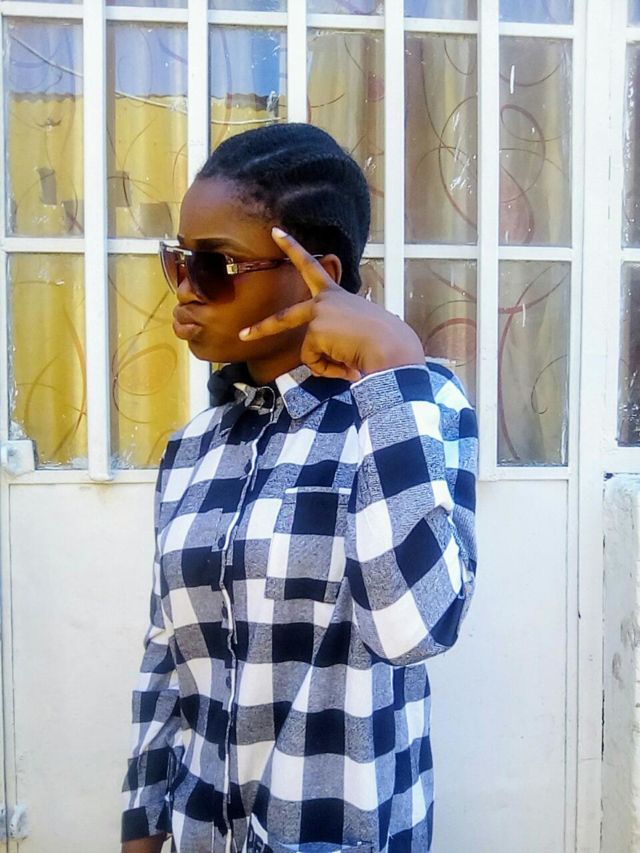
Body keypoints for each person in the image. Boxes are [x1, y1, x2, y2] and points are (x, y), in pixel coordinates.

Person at [121, 122, 477, 853]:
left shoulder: (415, 408)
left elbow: (416, 627)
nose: (183, 289)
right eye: (177, 261)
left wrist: (392, 366)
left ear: (317, 271)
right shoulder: (193, 448)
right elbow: (167, 655)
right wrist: (142, 823)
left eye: (215, 266)